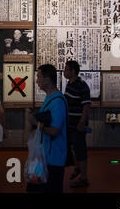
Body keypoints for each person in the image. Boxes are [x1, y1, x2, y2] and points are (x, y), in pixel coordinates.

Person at [27, 64, 68, 193]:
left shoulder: (57, 101)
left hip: (53, 158)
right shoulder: (50, 98)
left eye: (39, 76)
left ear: (48, 79)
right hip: (45, 156)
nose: (37, 80)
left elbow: (54, 130)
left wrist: (37, 123)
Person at [63, 60, 91, 188]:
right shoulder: (69, 84)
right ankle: (78, 168)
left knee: (80, 150)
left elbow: (86, 106)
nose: (64, 72)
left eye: (66, 69)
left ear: (73, 71)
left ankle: (84, 178)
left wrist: (81, 122)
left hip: (78, 124)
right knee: (71, 148)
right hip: (69, 124)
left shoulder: (82, 85)